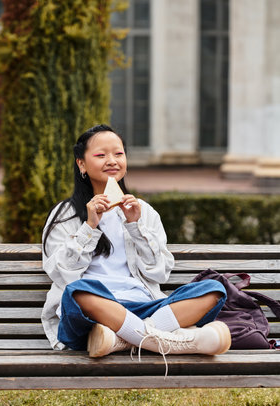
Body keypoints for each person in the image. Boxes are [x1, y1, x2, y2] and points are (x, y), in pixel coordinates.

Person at [41, 124, 231, 362]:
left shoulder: (144, 212)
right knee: (79, 292)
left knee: (213, 290)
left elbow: (159, 272)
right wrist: (89, 227)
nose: (112, 161)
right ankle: (166, 339)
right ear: (81, 164)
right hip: (93, 314)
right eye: (101, 155)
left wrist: (136, 227)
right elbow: (62, 274)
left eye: (118, 154)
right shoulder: (65, 214)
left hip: (142, 306)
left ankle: (121, 339)